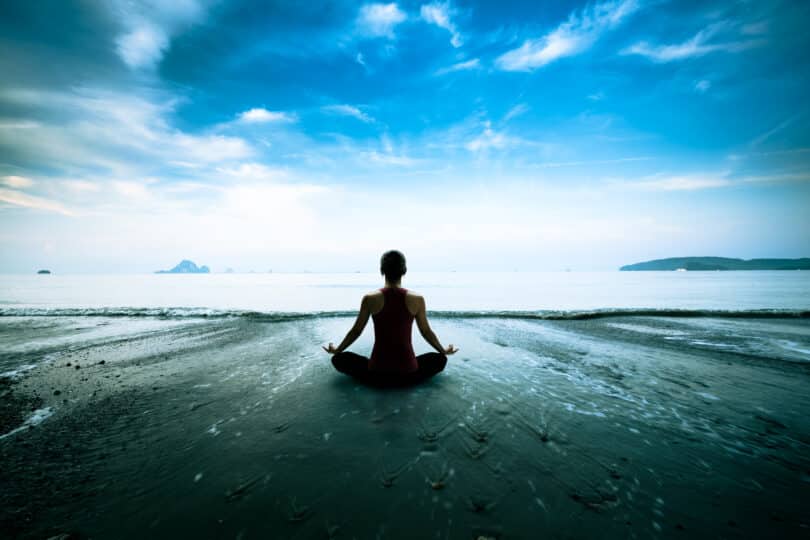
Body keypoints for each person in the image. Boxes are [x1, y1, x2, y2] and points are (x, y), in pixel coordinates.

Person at [323, 250, 458, 386]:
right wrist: (443, 350)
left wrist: (337, 349)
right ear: (404, 270)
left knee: (339, 359)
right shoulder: (417, 299)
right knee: (440, 359)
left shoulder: (370, 299)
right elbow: (425, 331)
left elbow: (356, 331)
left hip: (377, 374)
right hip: (409, 374)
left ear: (382, 270)